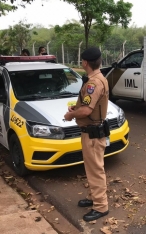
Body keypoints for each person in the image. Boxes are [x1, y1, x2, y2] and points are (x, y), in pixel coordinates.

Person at [63, 47, 109, 222]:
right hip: (92, 131)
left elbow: (86, 110)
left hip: (92, 134)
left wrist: (71, 115)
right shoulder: (99, 79)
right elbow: (91, 106)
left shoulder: (93, 84)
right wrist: (77, 109)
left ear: (84, 63)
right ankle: (94, 198)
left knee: (96, 170)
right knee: (92, 168)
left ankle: (101, 206)